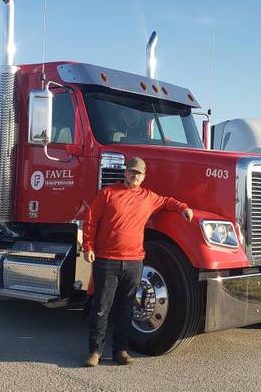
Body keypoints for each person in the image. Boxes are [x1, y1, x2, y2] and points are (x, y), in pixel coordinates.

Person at [82, 157, 193, 367]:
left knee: (126, 308)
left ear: (144, 177)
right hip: (107, 260)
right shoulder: (108, 194)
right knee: (101, 307)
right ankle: (95, 352)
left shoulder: (148, 197)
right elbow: (91, 220)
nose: (135, 176)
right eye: (131, 172)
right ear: (125, 173)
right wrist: (88, 247)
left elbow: (168, 201)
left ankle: (120, 351)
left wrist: (183, 208)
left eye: (139, 173)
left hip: (134, 261)